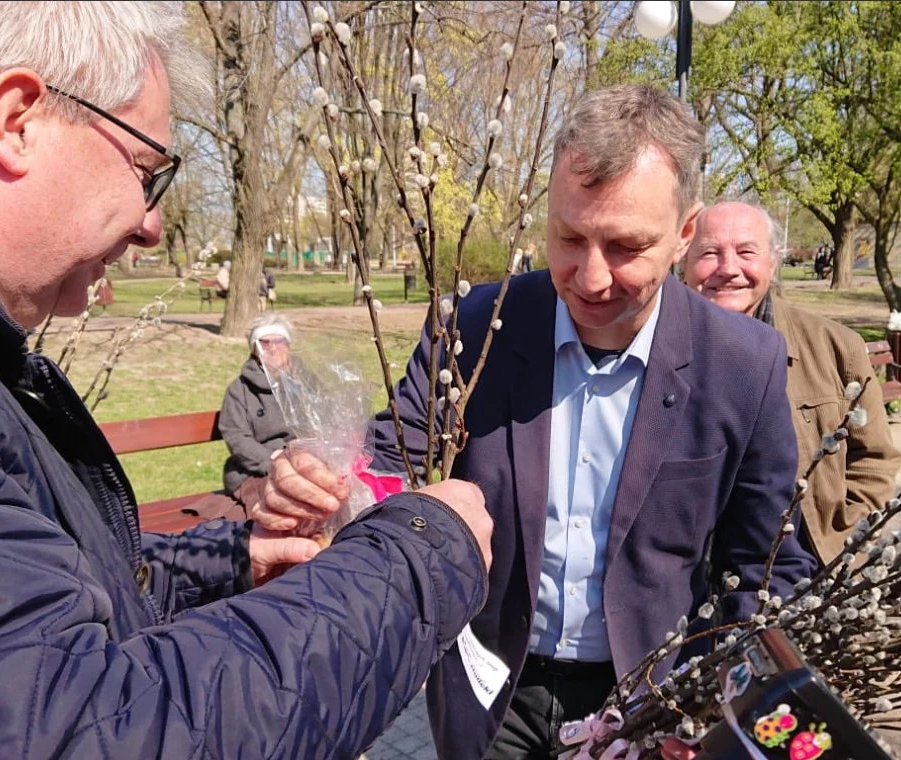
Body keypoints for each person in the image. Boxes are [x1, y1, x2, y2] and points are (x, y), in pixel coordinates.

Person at [0, 3, 493, 757]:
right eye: (147, 171)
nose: (152, 225)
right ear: (16, 119)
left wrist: (224, 564)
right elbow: (84, 730)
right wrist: (421, 557)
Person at [251, 85, 818, 760]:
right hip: (493, 690)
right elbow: (396, 451)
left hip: (648, 703)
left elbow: (768, 564)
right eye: (569, 236)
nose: (591, 275)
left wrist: (725, 705)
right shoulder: (476, 326)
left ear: (684, 234)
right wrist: (321, 477)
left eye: (626, 245)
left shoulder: (742, 363)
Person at [682, 202, 901, 565]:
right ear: (683, 261)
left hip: (807, 570)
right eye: (709, 253)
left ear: (772, 262)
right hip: (687, 585)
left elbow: (875, 460)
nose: (728, 268)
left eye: (746, 252)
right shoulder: (652, 346)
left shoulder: (836, 347)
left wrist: (842, 544)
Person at [219, 314, 296, 501]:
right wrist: (275, 460)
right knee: (288, 502)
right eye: (264, 343)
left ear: (289, 346)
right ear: (254, 349)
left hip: (303, 464)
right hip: (256, 471)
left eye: (280, 342)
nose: (273, 349)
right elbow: (236, 437)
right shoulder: (239, 390)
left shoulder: (305, 381)